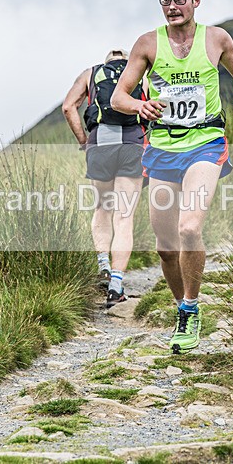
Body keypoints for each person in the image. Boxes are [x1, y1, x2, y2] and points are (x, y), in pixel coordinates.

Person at [111, 0, 233, 353]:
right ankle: (180, 307)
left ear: (196, 1)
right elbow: (118, 98)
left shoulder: (216, 38)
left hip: (206, 142)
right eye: (165, 0)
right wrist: (141, 104)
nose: (172, 6)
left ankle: (191, 308)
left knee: (189, 227)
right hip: (161, 148)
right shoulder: (147, 44)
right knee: (165, 246)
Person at [61, 49, 148, 307]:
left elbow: (68, 107)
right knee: (124, 215)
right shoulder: (141, 75)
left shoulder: (90, 74)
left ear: (107, 60)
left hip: (100, 143)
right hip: (133, 142)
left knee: (102, 207)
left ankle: (103, 266)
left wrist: (84, 142)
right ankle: (116, 285)